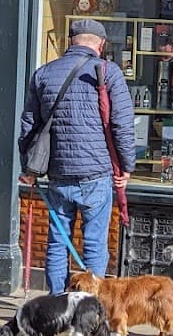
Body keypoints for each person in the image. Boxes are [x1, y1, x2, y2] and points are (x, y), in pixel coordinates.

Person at [19, 19, 136, 293]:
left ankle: (57, 304)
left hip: (58, 173)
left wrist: (28, 168)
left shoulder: (43, 74)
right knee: (94, 243)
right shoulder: (108, 72)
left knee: (58, 242)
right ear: (101, 44)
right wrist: (127, 166)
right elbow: (122, 124)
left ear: (70, 40)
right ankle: (89, 308)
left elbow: (28, 124)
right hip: (96, 174)